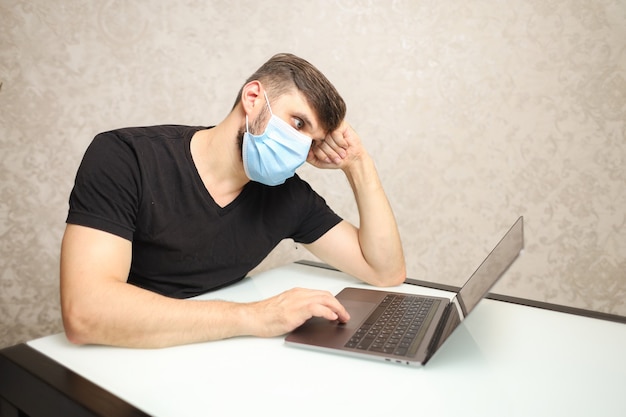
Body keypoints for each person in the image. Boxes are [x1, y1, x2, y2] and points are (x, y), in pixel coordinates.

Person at [60, 53, 406, 348]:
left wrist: (358, 164)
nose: (301, 147)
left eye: (311, 141)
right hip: (124, 353)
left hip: (215, 358)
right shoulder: (125, 157)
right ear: (253, 97)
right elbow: (86, 313)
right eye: (297, 122)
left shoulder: (287, 197)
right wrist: (256, 316)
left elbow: (385, 270)